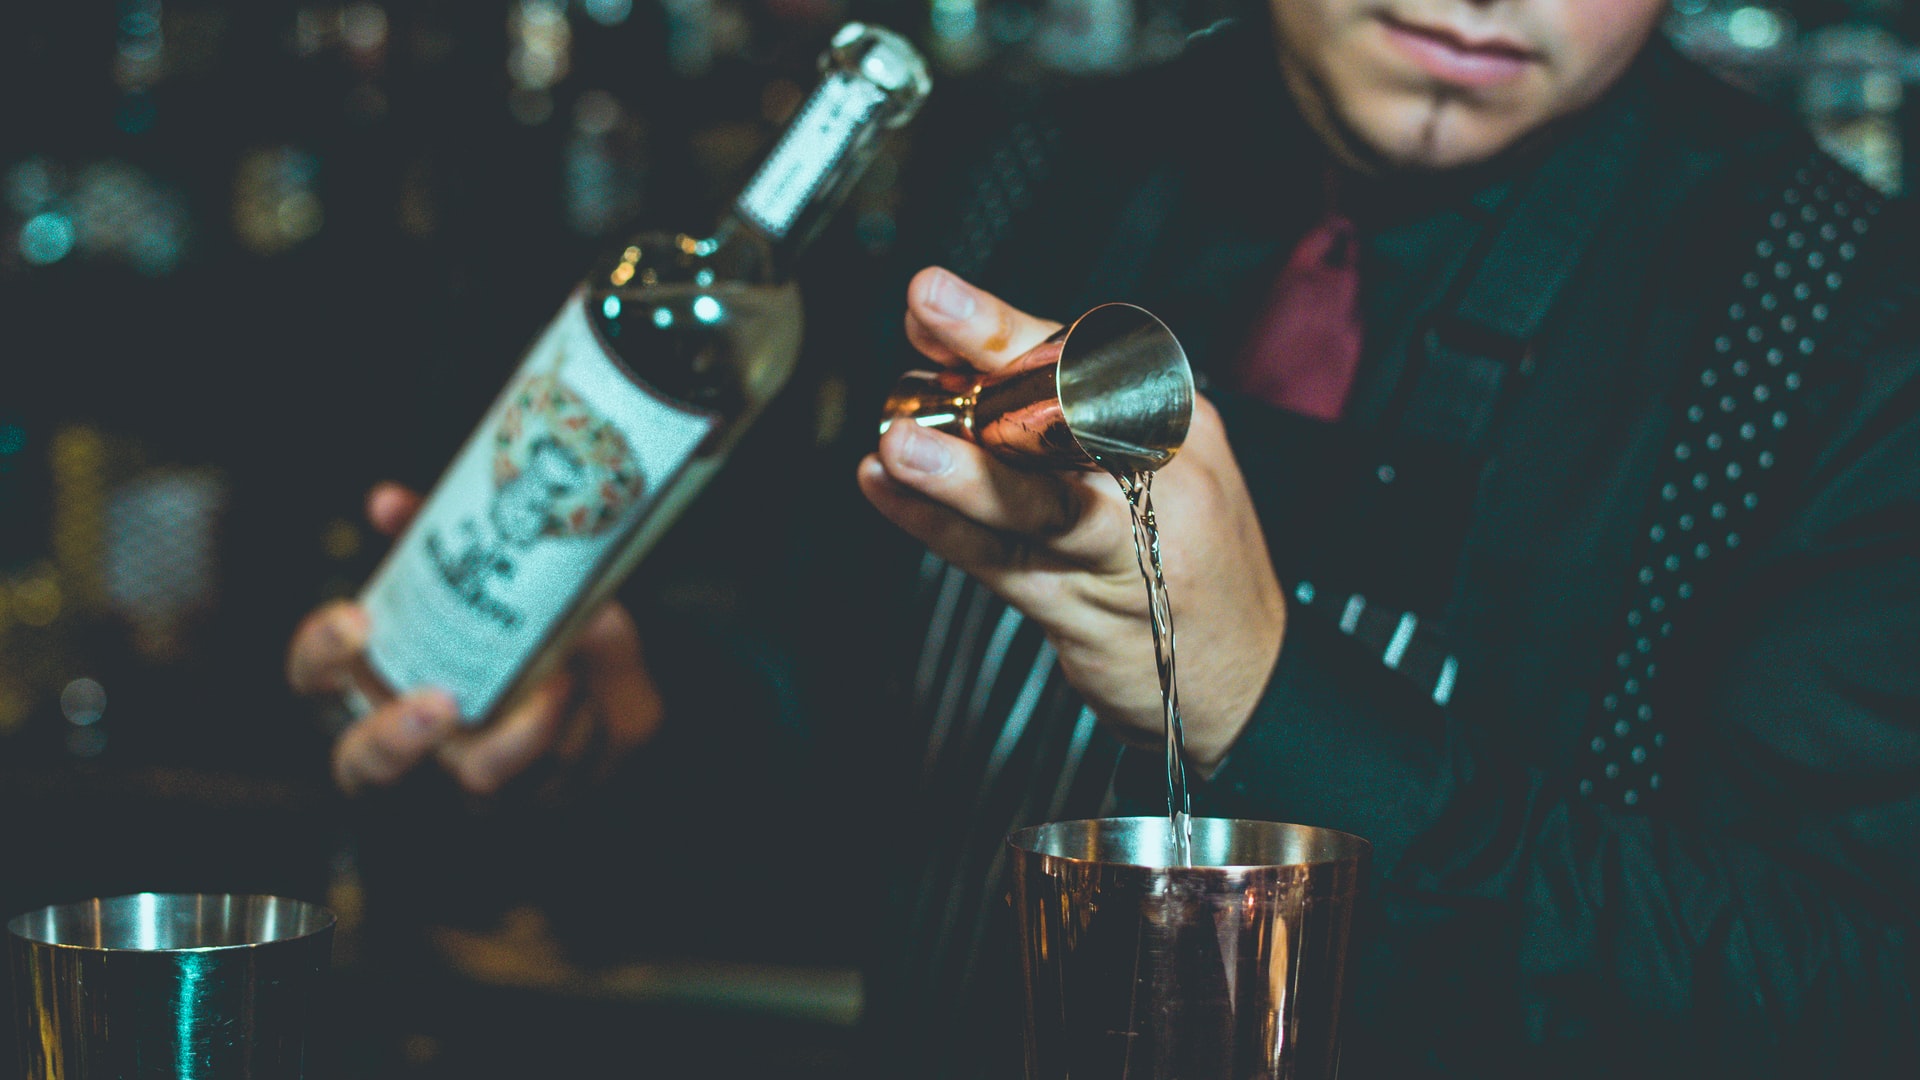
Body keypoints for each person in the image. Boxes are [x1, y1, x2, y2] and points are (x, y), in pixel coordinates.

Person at [287, 1, 1920, 1076]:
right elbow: (855, 740)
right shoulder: (1028, 171)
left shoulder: (1830, 320)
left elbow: (1836, 985)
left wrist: (1273, 703)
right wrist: (628, 723)